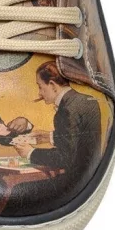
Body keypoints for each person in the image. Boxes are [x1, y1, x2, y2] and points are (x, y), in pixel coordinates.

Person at [14, 61, 101, 189]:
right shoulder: (88, 101)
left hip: (73, 181)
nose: (39, 94)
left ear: (52, 85)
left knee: (19, 188)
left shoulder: (66, 110)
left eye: (40, 87)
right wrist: (50, 136)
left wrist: (30, 152)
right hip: (92, 175)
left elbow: (65, 158)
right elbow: (81, 139)